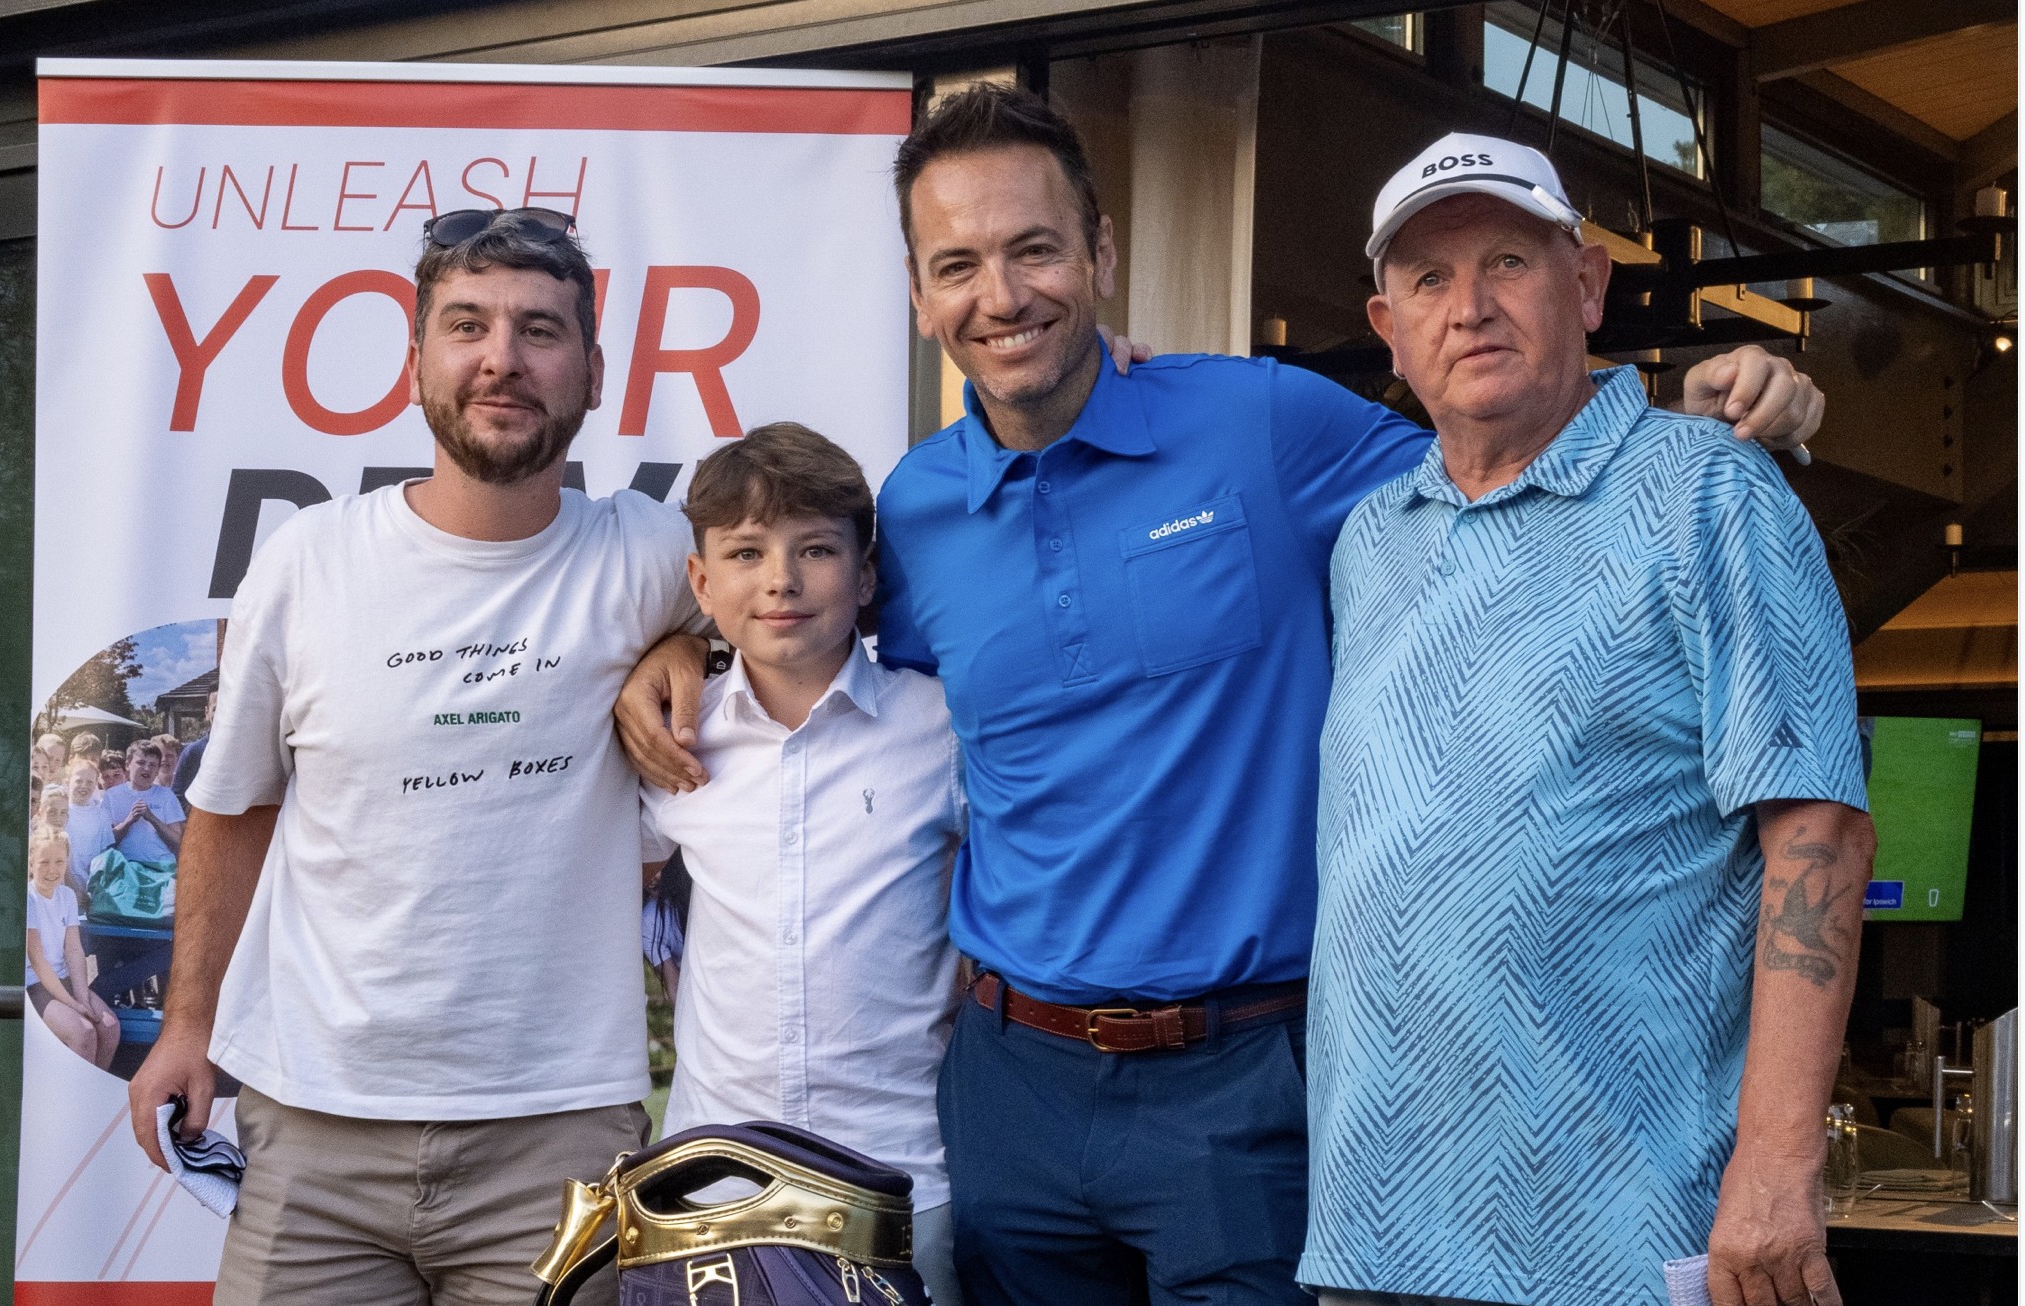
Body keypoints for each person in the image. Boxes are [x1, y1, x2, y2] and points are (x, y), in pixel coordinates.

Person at [615, 85, 1827, 1306]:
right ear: (921, 296)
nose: (1004, 294)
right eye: (958, 264)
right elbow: (794, 620)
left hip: (1243, 1077)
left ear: (1100, 253)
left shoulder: (1263, 423)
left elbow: (1504, 461)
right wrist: (677, 640)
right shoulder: (918, 508)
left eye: (1037, 248)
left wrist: (1702, 413)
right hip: (1006, 1088)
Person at [1298, 134, 1873, 1306]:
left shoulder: (1708, 489)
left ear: (1587, 286)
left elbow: (1817, 825)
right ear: (1387, 326)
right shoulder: (1370, 538)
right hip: (1373, 1234)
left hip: (1614, 1234)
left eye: (1508, 260)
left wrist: (1776, 1166)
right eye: (1428, 280)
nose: (1468, 307)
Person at [126, 207, 705, 1306]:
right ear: (414, 362)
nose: (503, 358)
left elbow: (808, 600)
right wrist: (187, 1025)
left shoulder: (649, 550)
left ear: (592, 371)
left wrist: (685, 638)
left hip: (557, 1136)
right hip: (314, 1127)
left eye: (541, 330)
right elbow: (234, 805)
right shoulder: (307, 562)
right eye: (468, 325)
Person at [638, 423, 968, 1306]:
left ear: (864, 575)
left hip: (903, 1177)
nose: (780, 580)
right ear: (701, 583)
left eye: (815, 549)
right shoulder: (670, 738)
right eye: (745, 553)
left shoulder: (939, 728)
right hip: (718, 1188)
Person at [26, 827, 121, 1070]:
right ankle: (76, 1101)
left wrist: (83, 998)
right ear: (30, 863)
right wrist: (72, 1004)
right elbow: (38, 961)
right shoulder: (28, 898)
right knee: (84, 1034)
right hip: (36, 985)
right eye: (44, 862)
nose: (52, 870)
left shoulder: (67, 896)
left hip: (64, 981)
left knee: (109, 1027)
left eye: (59, 862)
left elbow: (74, 951)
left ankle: (93, 1094)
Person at [104, 738, 185, 864]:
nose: (147, 769)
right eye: (141, 763)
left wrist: (152, 818)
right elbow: (105, 842)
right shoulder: (111, 795)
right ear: (127, 765)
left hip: (161, 867)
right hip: (125, 866)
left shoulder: (167, 795)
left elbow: (178, 842)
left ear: (158, 770)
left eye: (153, 765)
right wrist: (128, 821)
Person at [64, 757, 116, 897]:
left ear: (95, 785)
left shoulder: (102, 815)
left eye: (89, 782)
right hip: (63, 885)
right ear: (67, 782)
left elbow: (105, 856)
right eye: (79, 781)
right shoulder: (61, 811)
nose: (84, 786)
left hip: (92, 888)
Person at [173, 690, 214, 809]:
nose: (223, 713)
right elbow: (178, 796)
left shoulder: (248, 752)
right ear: (207, 712)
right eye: (216, 709)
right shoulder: (193, 752)